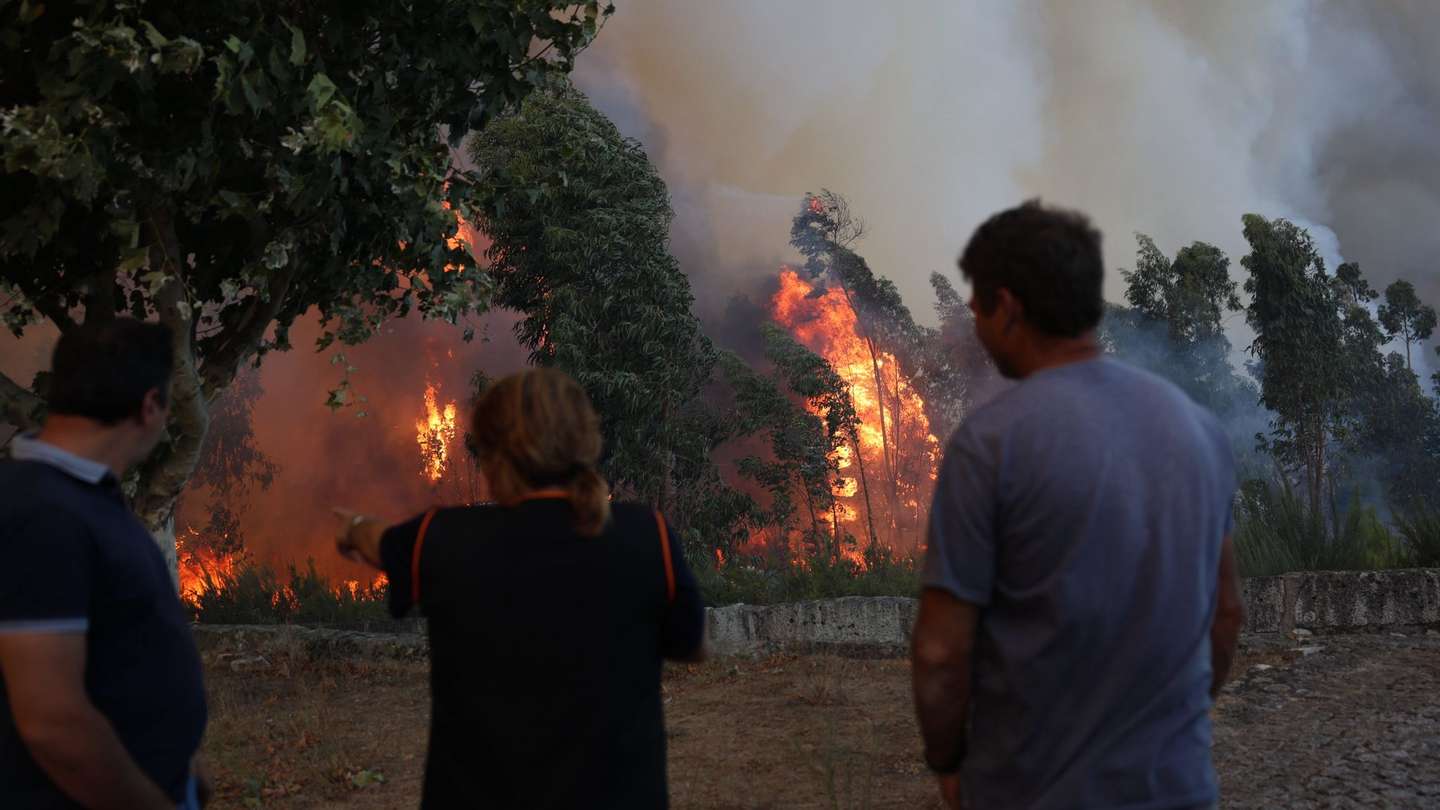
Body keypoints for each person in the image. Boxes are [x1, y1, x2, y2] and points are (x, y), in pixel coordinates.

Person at [911, 201, 1245, 810]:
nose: (973, 320)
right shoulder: (1199, 429)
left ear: (1008, 308)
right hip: (1176, 789)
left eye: (978, 303)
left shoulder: (990, 444)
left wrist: (948, 762)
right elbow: (1226, 614)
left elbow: (939, 651)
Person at [335, 367, 706, 809]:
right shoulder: (649, 536)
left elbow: (378, 541)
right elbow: (691, 646)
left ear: (493, 457)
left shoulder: (440, 539)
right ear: (584, 442)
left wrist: (353, 527)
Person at [0, 319, 209, 809]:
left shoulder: (78, 497)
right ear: (150, 406)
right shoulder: (40, 514)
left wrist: (179, 761)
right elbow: (52, 720)